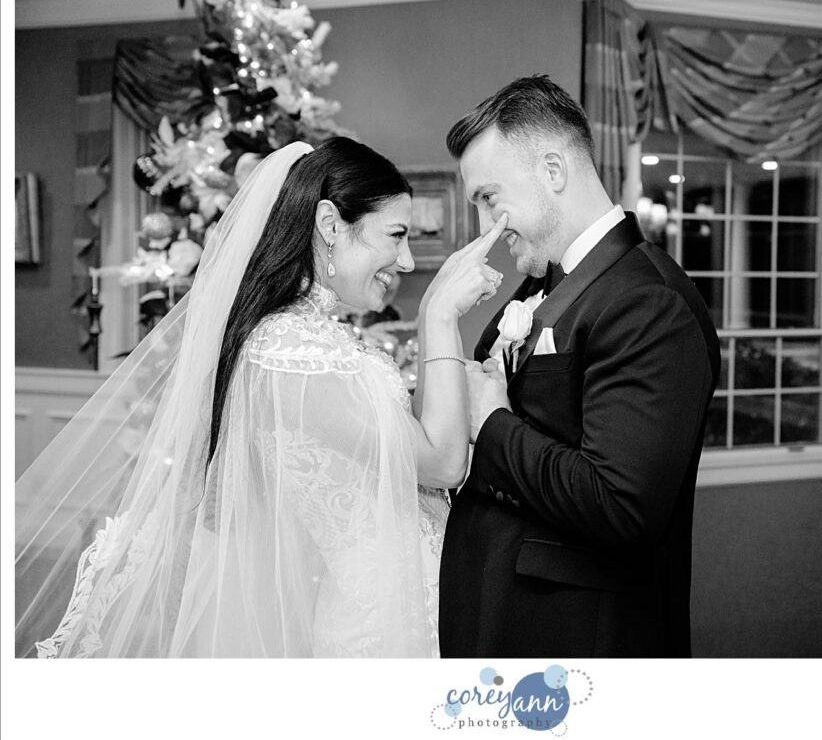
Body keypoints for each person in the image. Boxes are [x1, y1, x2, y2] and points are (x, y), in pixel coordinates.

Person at [15, 137, 506, 657]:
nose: (406, 260)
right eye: (395, 235)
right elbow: (443, 463)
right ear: (331, 225)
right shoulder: (287, 349)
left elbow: (411, 448)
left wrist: (443, 328)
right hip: (382, 622)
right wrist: (439, 314)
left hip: (405, 598)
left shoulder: (314, 338)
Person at [438, 76, 721, 658]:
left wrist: (491, 422)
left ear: (552, 170)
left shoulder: (649, 301)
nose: (487, 226)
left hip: (582, 638)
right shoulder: (544, 283)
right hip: (508, 618)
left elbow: (618, 506)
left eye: (490, 198)